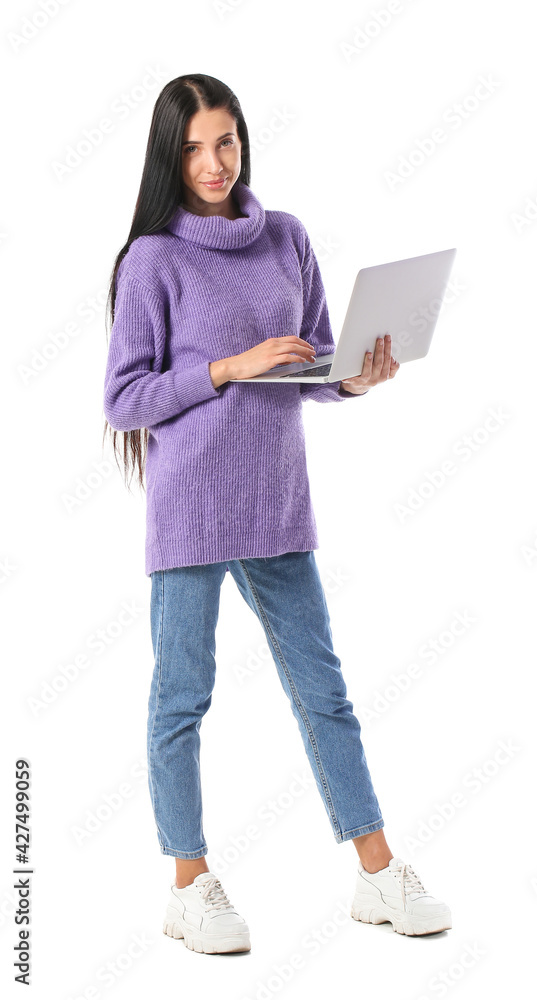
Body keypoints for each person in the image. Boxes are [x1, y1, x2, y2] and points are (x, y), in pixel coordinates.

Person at [102, 73, 451, 955]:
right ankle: (189, 884)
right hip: (190, 511)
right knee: (182, 699)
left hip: (276, 503)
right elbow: (124, 399)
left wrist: (353, 379)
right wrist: (227, 366)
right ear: (169, 156)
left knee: (323, 693)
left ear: (242, 141)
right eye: (193, 148)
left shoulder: (286, 237)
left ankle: (376, 872)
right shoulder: (151, 260)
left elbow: (311, 365)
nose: (212, 163)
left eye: (224, 141)